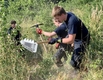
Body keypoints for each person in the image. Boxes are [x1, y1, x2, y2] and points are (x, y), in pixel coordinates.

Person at [49, 6, 90, 70]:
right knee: (75, 62)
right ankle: (80, 71)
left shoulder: (72, 21)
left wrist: (57, 40)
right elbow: (69, 34)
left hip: (82, 39)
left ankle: (84, 72)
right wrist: (56, 40)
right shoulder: (67, 15)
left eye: (57, 18)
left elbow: (70, 40)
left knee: (74, 62)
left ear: (62, 14)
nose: (57, 20)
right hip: (76, 38)